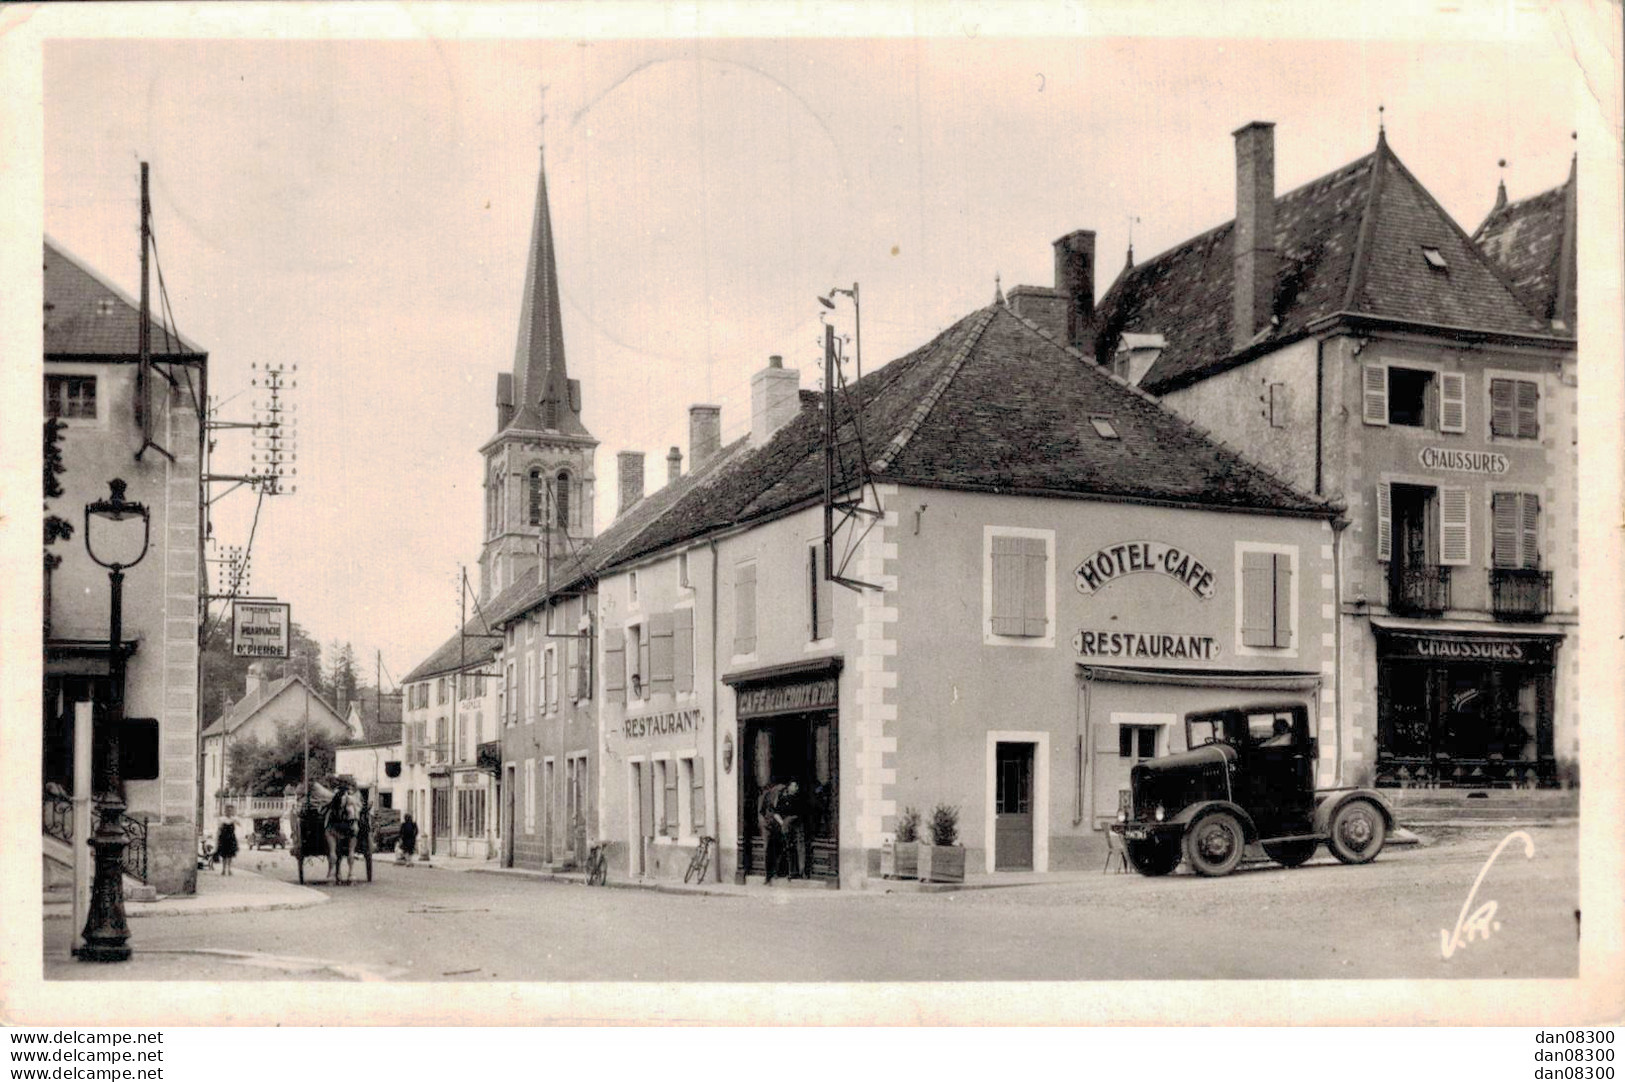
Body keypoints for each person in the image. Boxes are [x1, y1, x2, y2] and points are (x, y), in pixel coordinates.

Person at [757, 779, 801, 883]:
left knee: (782, 850)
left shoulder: (784, 796)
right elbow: (763, 811)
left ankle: (781, 872)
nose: (780, 789)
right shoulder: (767, 795)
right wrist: (766, 824)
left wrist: (783, 823)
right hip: (770, 827)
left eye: (782, 788)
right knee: (769, 850)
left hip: (780, 828)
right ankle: (769, 875)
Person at [215, 805, 240, 876]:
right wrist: (217, 839)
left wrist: (235, 819)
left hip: (231, 838)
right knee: (224, 855)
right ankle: (223, 869)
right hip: (224, 838)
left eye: (231, 810)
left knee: (230, 855)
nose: (229, 812)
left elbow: (239, 824)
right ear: (225, 811)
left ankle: (229, 869)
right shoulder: (222, 819)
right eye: (228, 810)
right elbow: (219, 829)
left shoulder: (233, 819)